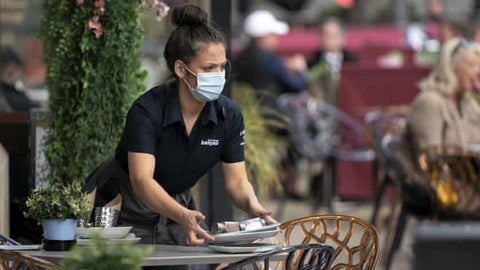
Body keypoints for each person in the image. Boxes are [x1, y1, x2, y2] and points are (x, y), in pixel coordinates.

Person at [86, 2, 274, 260]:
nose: (218, 75)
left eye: (222, 66)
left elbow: (237, 181)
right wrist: (181, 215)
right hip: (122, 213)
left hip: (178, 216)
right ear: (180, 69)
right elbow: (142, 181)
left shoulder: (228, 115)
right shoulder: (147, 110)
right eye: (209, 68)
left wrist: (251, 203)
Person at [406, 37, 480, 158]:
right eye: (472, 65)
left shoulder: (468, 102)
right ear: (451, 68)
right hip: (442, 176)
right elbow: (432, 160)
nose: (478, 72)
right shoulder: (429, 102)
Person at [0, 46, 38, 112]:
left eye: (17, 70)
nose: (15, 75)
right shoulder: (7, 94)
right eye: (10, 73)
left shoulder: (16, 89)